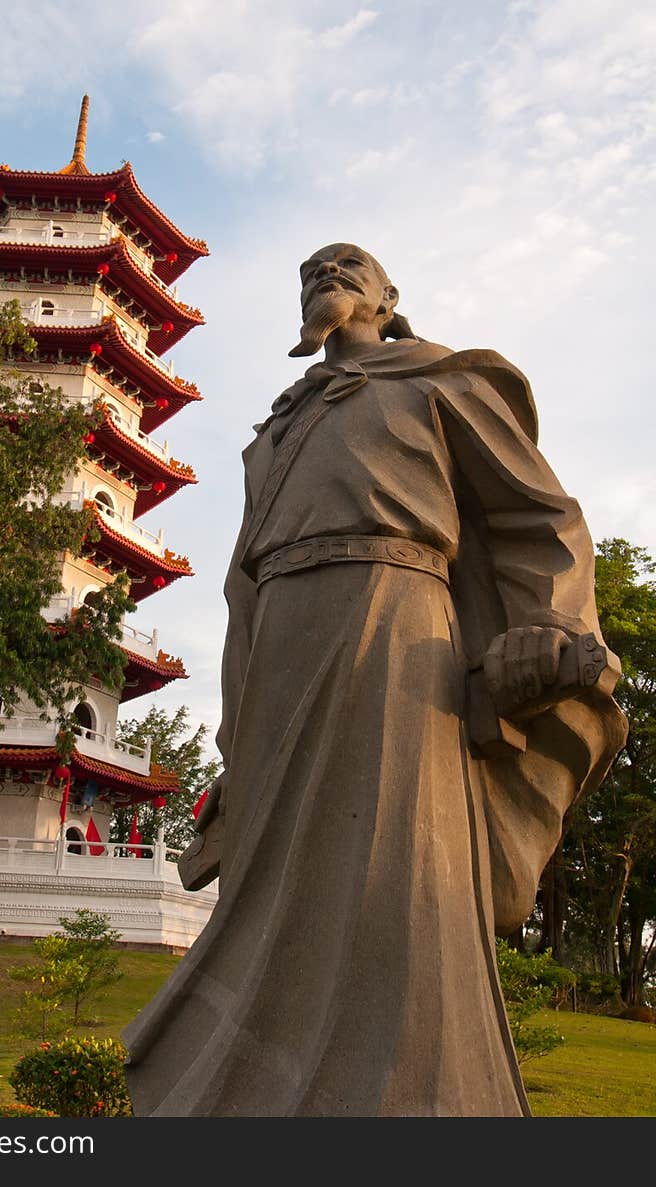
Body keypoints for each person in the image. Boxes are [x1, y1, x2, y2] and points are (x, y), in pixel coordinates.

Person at [123, 243, 626, 1117]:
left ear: (389, 301)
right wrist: (234, 745)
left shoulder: (439, 383)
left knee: (401, 861)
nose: (327, 274)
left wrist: (550, 626)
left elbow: (545, 518)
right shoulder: (271, 436)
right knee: (266, 879)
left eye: (350, 267)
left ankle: (417, 1093)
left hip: (397, 636)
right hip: (279, 644)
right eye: (312, 270)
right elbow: (242, 594)